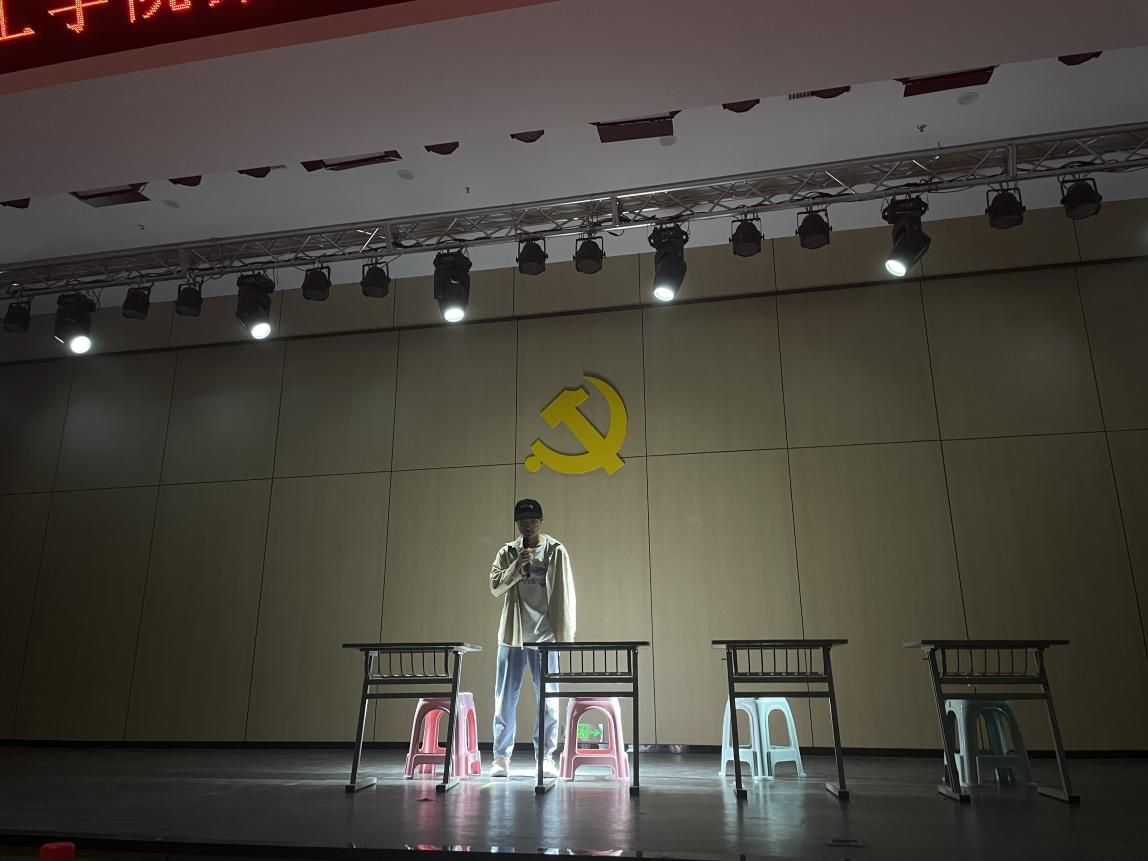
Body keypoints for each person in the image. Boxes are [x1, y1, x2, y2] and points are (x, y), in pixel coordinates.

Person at [488, 498, 576, 778]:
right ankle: (501, 758)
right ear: (517, 524)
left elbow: (566, 593)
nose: (528, 526)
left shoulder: (555, 550)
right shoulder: (507, 551)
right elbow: (495, 587)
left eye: (532, 521)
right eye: (523, 522)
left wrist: (565, 635)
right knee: (505, 699)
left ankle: (546, 757)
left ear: (540, 521)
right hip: (512, 636)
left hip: (545, 636)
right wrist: (516, 566)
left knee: (548, 699)